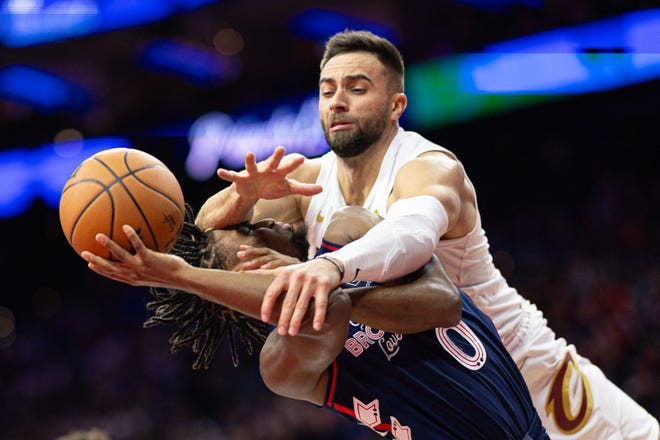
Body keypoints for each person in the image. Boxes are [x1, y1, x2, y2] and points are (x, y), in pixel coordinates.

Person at [194, 30, 660, 439]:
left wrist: (329, 265)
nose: (337, 101)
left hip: (527, 377)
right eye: (327, 90)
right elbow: (207, 234)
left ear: (397, 105)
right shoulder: (309, 181)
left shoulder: (428, 166)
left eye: (357, 89)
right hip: (445, 404)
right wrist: (241, 198)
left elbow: (411, 234)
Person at [81, 205, 549, 439]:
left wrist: (335, 287)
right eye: (245, 233)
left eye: (246, 218)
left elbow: (443, 302)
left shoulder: (351, 230)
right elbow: (325, 316)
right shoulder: (283, 363)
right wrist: (181, 278)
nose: (261, 222)